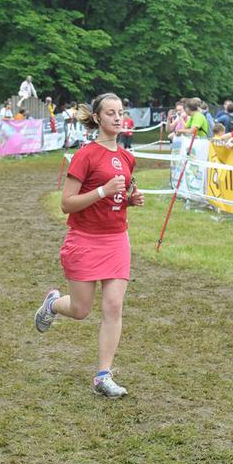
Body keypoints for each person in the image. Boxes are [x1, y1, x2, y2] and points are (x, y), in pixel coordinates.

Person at [34, 92, 145, 398]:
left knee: (113, 306)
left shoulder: (127, 157)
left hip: (117, 239)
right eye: (110, 113)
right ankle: (53, 304)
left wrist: (130, 200)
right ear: (97, 118)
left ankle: (103, 376)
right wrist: (102, 191)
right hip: (84, 239)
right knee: (81, 309)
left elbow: (118, 197)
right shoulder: (86, 155)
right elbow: (67, 204)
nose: (118, 118)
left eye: (120, 112)